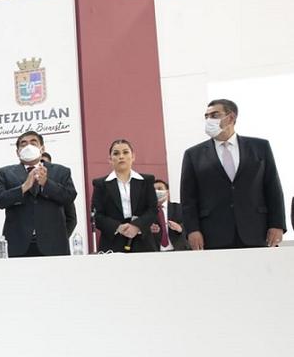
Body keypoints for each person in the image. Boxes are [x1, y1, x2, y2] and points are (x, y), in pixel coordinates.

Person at [180, 99, 286, 250]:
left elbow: (273, 188)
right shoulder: (193, 154)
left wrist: (277, 224)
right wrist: (192, 230)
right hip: (212, 233)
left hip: (256, 230)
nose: (209, 120)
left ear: (231, 117)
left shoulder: (260, 147)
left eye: (215, 115)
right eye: (206, 116)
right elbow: (188, 198)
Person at [0, 132, 77, 257]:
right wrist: (23, 187)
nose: (28, 146)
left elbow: (69, 197)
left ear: (42, 148)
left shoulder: (61, 171)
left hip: (54, 245)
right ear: (17, 152)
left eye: (33, 142)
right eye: (23, 143)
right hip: (18, 245)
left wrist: (46, 184)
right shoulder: (5, 173)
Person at [91, 139, 158, 253]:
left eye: (125, 152)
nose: (121, 156)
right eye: (116, 153)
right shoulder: (100, 184)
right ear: (110, 159)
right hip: (112, 242)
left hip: (143, 241)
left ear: (133, 157)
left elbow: (152, 209)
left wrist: (137, 226)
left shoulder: (146, 180)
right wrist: (118, 227)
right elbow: (97, 216)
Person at [40, 151, 78, 236]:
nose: (42, 167)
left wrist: (62, 239)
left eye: (45, 163)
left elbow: (71, 219)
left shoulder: (62, 191)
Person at [150, 179, 188, 251]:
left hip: (178, 250)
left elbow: (190, 225)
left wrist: (180, 228)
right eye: (154, 190)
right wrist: (148, 228)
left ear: (167, 192)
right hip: (155, 252)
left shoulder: (179, 208)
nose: (157, 192)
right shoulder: (146, 212)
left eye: (160, 189)